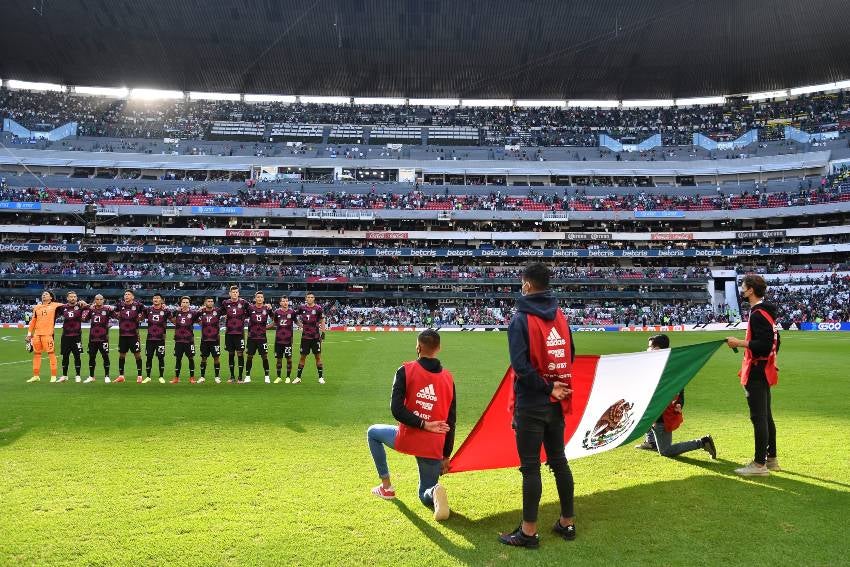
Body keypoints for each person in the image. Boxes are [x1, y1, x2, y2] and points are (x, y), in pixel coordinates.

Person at [499, 263, 576, 548]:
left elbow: (520, 366)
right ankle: (567, 523)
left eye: (522, 283)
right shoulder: (561, 317)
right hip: (557, 402)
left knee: (530, 468)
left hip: (532, 403)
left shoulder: (520, 320)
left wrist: (545, 386)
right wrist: (555, 385)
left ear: (528, 285)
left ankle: (528, 532)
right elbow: (571, 355)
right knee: (559, 461)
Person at [366, 329, 455, 521]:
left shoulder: (405, 370)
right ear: (438, 348)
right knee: (425, 491)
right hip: (434, 445)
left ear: (418, 346)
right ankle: (433, 492)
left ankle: (386, 487)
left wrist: (422, 424)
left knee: (373, 433)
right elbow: (452, 420)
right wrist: (446, 455)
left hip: (407, 437)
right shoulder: (449, 378)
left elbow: (396, 410)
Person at [726, 274, 781, 476]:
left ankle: (759, 465)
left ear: (750, 290)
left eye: (743, 286)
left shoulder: (758, 314)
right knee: (766, 416)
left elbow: (765, 345)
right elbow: (776, 342)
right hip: (763, 369)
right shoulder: (766, 312)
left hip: (757, 371)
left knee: (759, 417)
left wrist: (739, 343)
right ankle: (772, 459)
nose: (741, 289)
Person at [635, 334, 717, 459]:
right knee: (640, 415)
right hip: (656, 411)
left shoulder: (667, 368)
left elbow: (677, 386)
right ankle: (651, 442)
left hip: (662, 413)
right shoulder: (658, 364)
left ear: (659, 349)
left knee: (666, 451)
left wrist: (678, 404)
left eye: (651, 347)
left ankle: (702, 442)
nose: (648, 349)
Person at [25, 291, 63, 383]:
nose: (44, 295)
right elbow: (33, 321)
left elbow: (69, 305)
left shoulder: (55, 305)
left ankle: (53, 376)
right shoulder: (37, 307)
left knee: (51, 354)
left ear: (51, 297)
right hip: (37, 335)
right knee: (36, 355)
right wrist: (29, 334)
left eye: (46, 294)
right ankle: (36, 376)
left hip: (48, 334)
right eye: (43, 294)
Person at [82, 294, 115, 383]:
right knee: (92, 357)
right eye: (97, 299)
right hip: (92, 338)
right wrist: (87, 308)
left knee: (105, 356)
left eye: (101, 299)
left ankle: (107, 376)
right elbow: (84, 319)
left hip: (103, 338)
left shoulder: (107, 309)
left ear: (103, 300)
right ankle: (91, 376)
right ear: (94, 300)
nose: (99, 300)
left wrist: (110, 323)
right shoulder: (91, 309)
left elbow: (116, 316)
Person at [295, 292, 326, 384]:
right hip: (305, 337)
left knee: (318, 357)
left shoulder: (318, 308)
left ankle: (320, 377)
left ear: (314, 298)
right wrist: (300, 325)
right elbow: (293, 316)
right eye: (308, 297)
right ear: (306, 298)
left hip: (315, 337)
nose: (310, 298)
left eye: (311, 297)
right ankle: (298, 377)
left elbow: (322, 320)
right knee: (302, 357)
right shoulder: (302, 308)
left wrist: (323, 333)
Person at [220, 285, 250, 383]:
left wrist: (265, 306)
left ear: (238, 293)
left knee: (240, 354)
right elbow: (219, 312)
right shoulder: (225, 303)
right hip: (229, 333)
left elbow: (253, 310)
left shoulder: (244, 302)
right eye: (233, 292)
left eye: (236, 292)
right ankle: (232, 376)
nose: (235, 294)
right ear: (230, 293)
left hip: (239, 333)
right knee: (231, 354)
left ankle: (240, 377)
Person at [115, 290, 144, 384]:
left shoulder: (138, 305)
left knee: (137, 355)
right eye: (125, 294)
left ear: (133, 297)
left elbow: (147, 311)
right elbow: (113, 312)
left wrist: (140, 317)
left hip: (134, 335)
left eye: (128, 294)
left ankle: (139, 376)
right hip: (123, 334)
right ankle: (121, 376)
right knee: (122, 355)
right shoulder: (119, 305)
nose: (126, 296)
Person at [57, 291, 86, 383]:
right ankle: (64, 375)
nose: (73, 298)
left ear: (77, 298)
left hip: (77, 336)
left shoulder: (81, 306)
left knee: (77, 356)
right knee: (65, 356)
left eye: (74, 296)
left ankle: (78, 375)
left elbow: (91, 307)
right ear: (67, 298)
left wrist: (86, 303)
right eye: (71, 297)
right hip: (65, 335)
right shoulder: (62, 307)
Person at [245, 291, 272, 384]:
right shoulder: (250, 308)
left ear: (263, 299)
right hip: (252, 337)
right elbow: (242, 316)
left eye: (261, 297)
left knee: (264, 356)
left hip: (262, 337)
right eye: (258, 297)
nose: (259, 298)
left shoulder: (267, 308)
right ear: (255, 298)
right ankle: (247, 376)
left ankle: (267, 376)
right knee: (249, 356)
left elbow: (275, 320)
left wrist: (266, 327)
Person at [142, 293, 170, 384]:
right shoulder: (148, 310)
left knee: (161, 357)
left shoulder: (165, 311)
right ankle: (148, 377)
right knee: (149, 357)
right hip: (150, 338)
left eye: (158, 298)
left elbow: (173, 319)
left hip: (160, 338)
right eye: (154, 298)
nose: (155, 299)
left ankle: (161, 376)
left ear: (161, 300)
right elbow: (140, 318)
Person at [170, 296, 197, 384]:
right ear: (180, 303)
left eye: (186, 302)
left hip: (189, 340)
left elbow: (200, 321)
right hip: (179, 340)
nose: (185, 304)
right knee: (178, 359)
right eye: (183, 302)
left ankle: (192, 377)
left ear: (189, 304)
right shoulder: (176, 312)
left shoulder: (193, 313)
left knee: (191, 358)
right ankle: (176, 378)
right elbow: (173, 321)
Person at [197, 297, 224, 384]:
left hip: (215, 339)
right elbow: (193, 317)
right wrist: (200, 322)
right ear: (205, 303)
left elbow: (228, 311)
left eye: (212, 301)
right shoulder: (201, 311)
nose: (210, 302)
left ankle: (217, 377)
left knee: (216, 357)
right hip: (204, 339)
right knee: (203, 358)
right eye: (208, 301)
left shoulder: (218, 311)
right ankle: (202, 377)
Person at [272, 296, 296, 383]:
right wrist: (264, 327)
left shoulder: (292, 312)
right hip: (278, 340)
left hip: (288, 340)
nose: (285, 302)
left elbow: (296, 322)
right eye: (283, 301)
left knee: (289, 359)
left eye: (286, 301)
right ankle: (278, 377)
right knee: (279, 359)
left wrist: (304, 326)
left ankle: (288, 377)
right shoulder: (276, 312)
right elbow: (274, 323)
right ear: (280, 303)